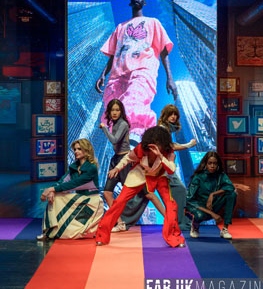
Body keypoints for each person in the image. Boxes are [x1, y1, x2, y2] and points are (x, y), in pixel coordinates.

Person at [95, 0, 177, 144]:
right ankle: (123, 140)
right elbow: (113, 53)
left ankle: (135, 136)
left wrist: (170, 78)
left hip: (143, 68)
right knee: (113, 107)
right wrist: (103, 74)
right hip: (117, 73)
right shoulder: (120, 27)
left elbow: (164, 51)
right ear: (130, 3)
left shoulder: (153, 22)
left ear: (144, 3)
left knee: (134, 98)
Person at [96, 126, 185, 248]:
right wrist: (117, 168)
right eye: (152, 143)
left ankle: (174, 237)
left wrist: (160, 156)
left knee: (171, 205)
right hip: (140, 174)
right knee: (119, 202)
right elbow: (127, 158)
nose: (154, 147)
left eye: (158, 143)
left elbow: (171, 170)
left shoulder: (168, 153)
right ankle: (102, 235)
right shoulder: (141, 149)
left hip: (159, 176)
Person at [38, 139, 104, 240]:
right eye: (75, 149)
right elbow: (62, 181)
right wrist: (52, 191)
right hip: (79, 200)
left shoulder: (91, 168)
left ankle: (94, 229)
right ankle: (48, 231)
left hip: (92, 203)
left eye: (79, 149)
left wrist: (50, 189)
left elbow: (75, 183)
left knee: (76, 232)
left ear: (87, 150)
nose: (76, 151)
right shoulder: (74, 167)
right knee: (55, 197)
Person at [186, 152, 236, 239]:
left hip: (214, 204)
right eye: (210, 163)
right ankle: (195, 226)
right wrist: (212, 214)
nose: (212, 166)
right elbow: (190, 200)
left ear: (217, 164)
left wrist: (212, 194)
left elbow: (230, 187)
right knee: (199, 216)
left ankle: (225, 229)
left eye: (215, 163)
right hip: (200, 207)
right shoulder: (198, 177)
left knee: (232, 194)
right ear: (205, 164)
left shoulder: (221, 175)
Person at [99, 99, 132, 233]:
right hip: (115, 160)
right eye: (112, 110)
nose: (114, 113)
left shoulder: (123, 124)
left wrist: (104, 128)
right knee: (107, 192)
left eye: (117, 110)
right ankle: (120, 222)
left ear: (121, 111)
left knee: (131, 193)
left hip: (125, 161)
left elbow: (114, 140)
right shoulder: (115, 123)